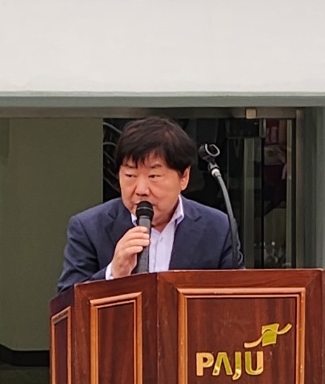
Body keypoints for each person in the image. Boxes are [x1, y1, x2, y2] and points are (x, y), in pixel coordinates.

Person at [57, 117, 240, 291]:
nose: (141, 189)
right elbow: (67, 305)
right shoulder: (89, 228)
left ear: (184, 177)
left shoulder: (218, 228)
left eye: (154, 176)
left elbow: (238, 298)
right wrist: (113, 273)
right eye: (130, 175)